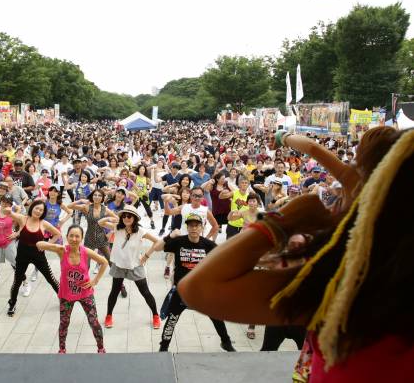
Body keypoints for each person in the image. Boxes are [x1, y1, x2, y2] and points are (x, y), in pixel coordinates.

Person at [178, 127, 414, 382]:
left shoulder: (343, 286)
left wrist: (282, 221)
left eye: (354, 173)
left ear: (371, 197)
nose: (342, 184)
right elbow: (329, 161)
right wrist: (289, 139)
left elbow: (198, 288)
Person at [143, 213, 235, 352]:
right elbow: (157, 248)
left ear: (201, 227)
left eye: (197, 225)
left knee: (216, 317)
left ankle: (226, 342)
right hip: (182, 291)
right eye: (191, 225)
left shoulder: (208, 245)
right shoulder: (179, 241)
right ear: (187, 227)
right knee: (172, 319)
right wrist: (170, 236)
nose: (193, 228)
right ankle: (163, 347)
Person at [38, 225, 108, 354]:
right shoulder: (61, 251)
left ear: (81, 238)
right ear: (67, 237)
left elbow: (104, 262)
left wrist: (95, 280)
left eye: (77, 236)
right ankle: (62, 349)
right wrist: (54, 245)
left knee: (94, 322)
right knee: (64, 323)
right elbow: (39, 244)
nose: (74, 239)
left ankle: (101, 348)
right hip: (66, 295)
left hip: (85, 293)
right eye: (71, 236)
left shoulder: (86, 251)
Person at [99, 205, 161, 330]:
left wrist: (146, 256)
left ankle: (155, 315)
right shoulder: (117, 228)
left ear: (135, 218)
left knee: (145, 292)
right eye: (124, 216)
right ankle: (109, 315)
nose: (126, 218)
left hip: (135, 266)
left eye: (129, 216)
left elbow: (158, 242)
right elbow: (100, 222)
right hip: (119, 265)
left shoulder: (140, 231)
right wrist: (115, 218)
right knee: (114, 291)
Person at [5, 200, 61, 316]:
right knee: (17, 282)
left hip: (38, 255)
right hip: (22, 255)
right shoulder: (23, 219)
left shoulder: (44, 223)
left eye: (41, 210)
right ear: (32, 208)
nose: (38, 211)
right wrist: (8, 210)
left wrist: (47, 245)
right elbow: (9, 213)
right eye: (37, 208)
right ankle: (12, 304)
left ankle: (63, 300)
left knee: (50, 278)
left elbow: (57, 234)